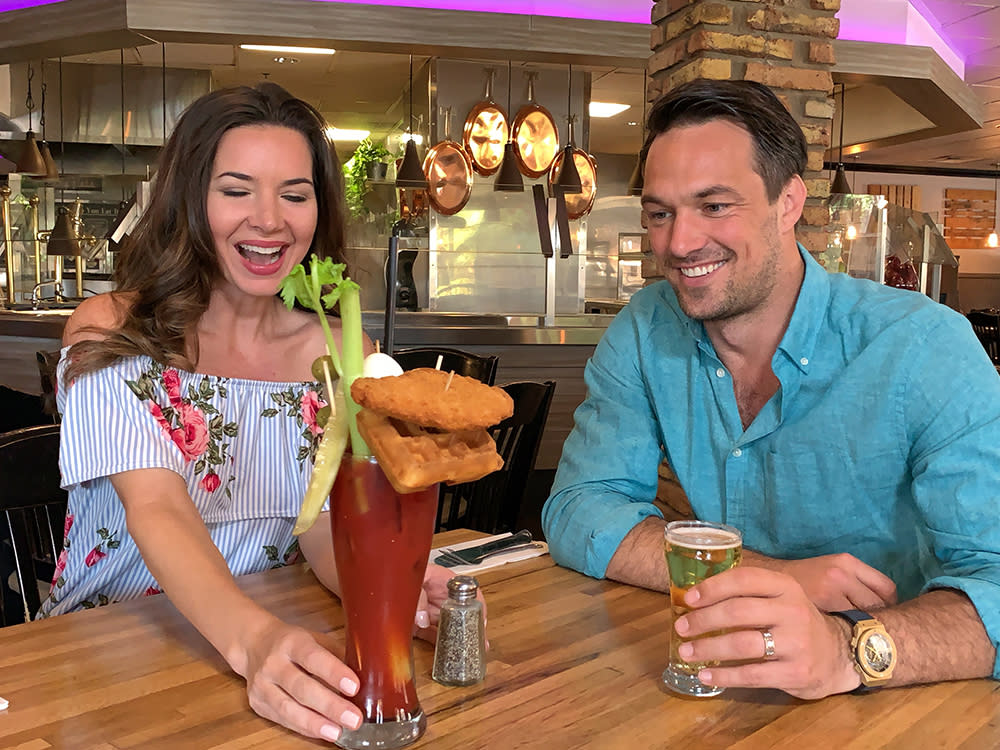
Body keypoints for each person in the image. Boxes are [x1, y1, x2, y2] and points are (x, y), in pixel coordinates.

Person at [542, 78, 1000, 698]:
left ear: (788, 204)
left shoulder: (924, 348)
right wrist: (775, 577)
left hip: (901, 699)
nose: (679, 244)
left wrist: (846, 649)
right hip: (711, 690)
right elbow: (579, 509)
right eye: (660, 213)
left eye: (715, 205)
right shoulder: (647, 330)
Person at [43, 82, 454, 744]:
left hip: (270, 647)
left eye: (295, 194)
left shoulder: (337, 352)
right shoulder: (114, 330)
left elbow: (318, 523)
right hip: (108, 655)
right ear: (189, 201)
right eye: (236, 191)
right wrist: (253, 640)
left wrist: (383, 590)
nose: (269, 220)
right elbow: (158, 507)